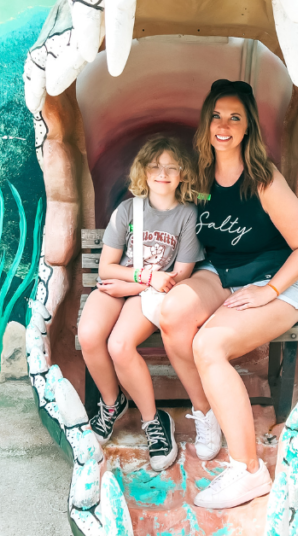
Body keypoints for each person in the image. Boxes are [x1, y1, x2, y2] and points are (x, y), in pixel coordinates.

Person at [159, 80, 298, 509]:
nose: (224, 125)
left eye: (235, 118)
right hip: (220, 273)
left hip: (274, 282)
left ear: (247, 128)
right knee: (173, 313)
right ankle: (206, 414)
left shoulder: (264, 179)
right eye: (217, 116)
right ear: (206, 122)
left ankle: (248, 470)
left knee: (208, 344)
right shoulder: (199, 176)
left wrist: (269, 291)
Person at [77, 135, 214, 472]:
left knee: (120, 345)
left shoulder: (187, 215)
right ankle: (112, 404)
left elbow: (179, 276)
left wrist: (139, 285)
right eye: (155, 166)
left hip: (151, 294)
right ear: (144, 171)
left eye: (171, 167)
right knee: (90, 334)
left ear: (182, 174)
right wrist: (141, 279)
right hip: (127, 284)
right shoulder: (128, 210)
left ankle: (155, 423)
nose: (163, 173)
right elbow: (105, 268)